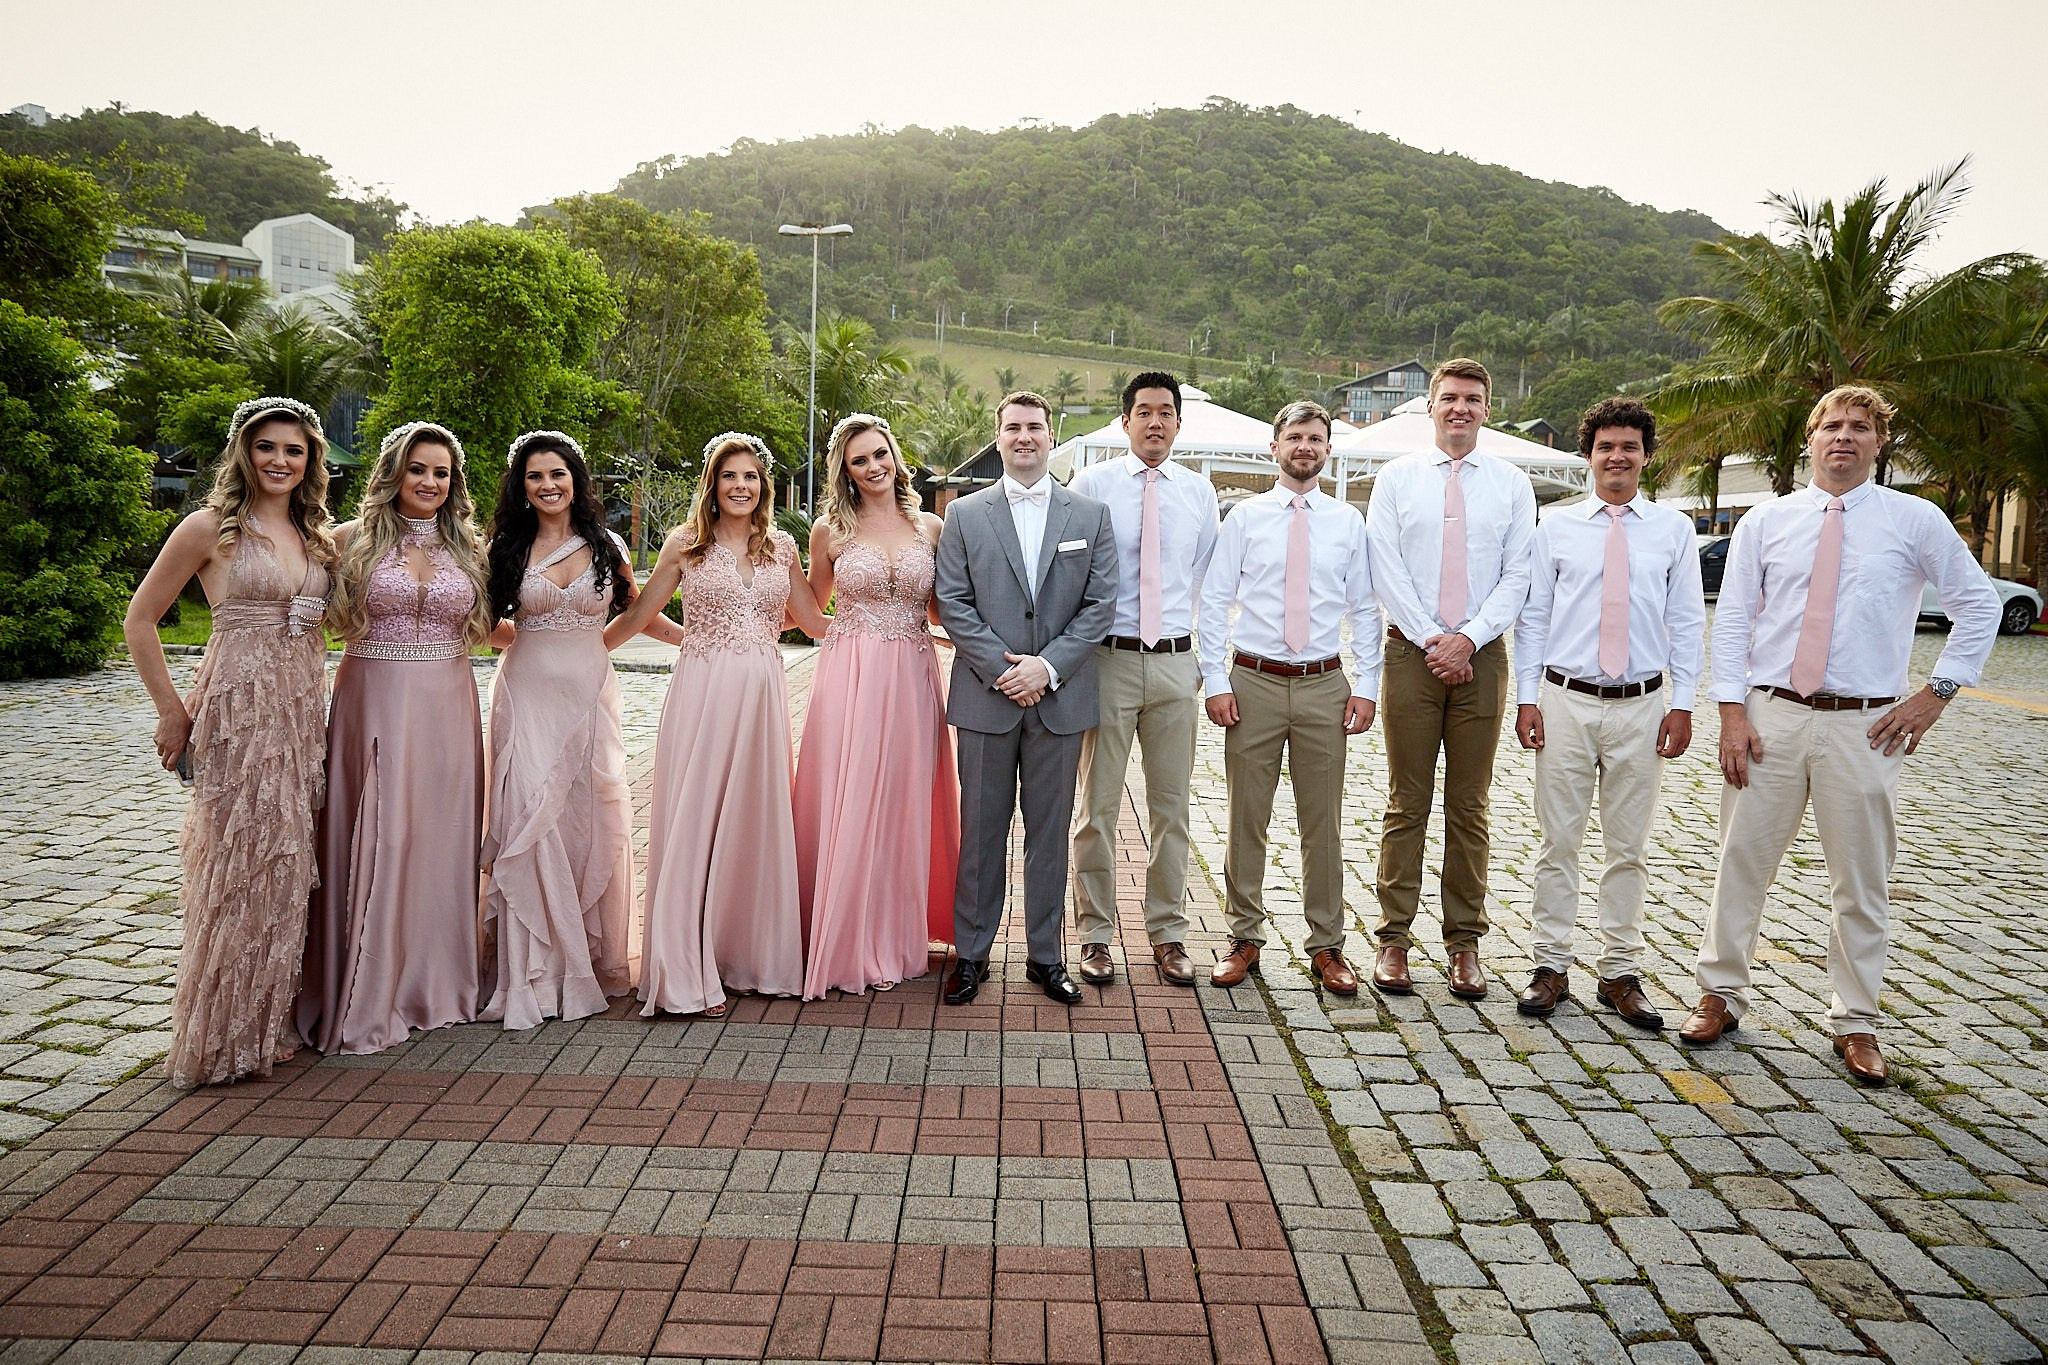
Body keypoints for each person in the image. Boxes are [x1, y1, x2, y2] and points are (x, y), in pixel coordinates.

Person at [1682, 385, 1998, 1084]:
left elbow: (1977, 605)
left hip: (1866, 724)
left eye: (1860, 427)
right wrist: (1732, 713)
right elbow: (1733, 619)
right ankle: (1719, 993)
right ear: (1811, 437)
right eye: (1832, 425)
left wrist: (1935, 694)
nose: (1844, 437)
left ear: (1880, 442)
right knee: (1741, 860)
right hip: (1771, 716)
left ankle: (1855, 1020)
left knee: (1860, 879)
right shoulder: (1767, 521)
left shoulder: (1914, 521)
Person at [122, 397, 334, 1087]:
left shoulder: (318, 534)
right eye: (267, 447)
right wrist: (170, 711)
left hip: (300, 712)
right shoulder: (210, 526)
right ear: (245, 452)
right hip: (238, 712)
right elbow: (140, 619)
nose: (279, 460)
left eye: (293, 450)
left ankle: (264, 1022)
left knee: (283, 865)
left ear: (310, 461)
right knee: (236, 867)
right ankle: (217, 1033)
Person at [605, 432, 831, 1017]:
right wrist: (586, 652)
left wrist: (901, 625)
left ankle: (745, 955)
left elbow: (811, 619)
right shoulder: (686, 545)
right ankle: (684, 967)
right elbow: (641, 614)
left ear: (765, 486)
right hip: (702, 691)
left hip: (761, 694)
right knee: (696, 818)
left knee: (754, 820)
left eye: (751, 476)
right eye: (730, 476)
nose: (741, 486)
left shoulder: (782, 549)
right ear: (713, 482)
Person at [298, 421, 494, 1056]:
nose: (430, 482)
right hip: (371, 700)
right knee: (379, 831)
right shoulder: (347, 542)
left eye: (441, 472)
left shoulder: (469, 546)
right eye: (418, 469)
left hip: (448, 706)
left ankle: (435, 982)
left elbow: (500, 626)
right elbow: (296, 604)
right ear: (393, 474)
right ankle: (365, 987)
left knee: (438, 834)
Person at [1512, 398, 1703, 1027]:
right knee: (1557, 841)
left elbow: (1685, 621)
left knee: (1628, 846)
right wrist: (1527, 697)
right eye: (1604, 447)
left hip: (1643, 705)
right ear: (1588, 455)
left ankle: (1620, 972)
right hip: (1566, 700)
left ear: (1646, 456)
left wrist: (1681, 704)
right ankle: (1550, 965)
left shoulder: (1673, 530)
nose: (1616, 457)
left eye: (1628, 447)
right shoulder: (1555, 527)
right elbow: (1534, 617)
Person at [479, 430, 667, 1030]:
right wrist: (535, 642)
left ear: (576, 480)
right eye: (535, 476)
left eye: (557, 474)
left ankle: (584, 960)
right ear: (521, 486)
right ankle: (531, 973)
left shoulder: (607, 545)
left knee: (585, 820)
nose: (548, 485)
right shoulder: (506, 547)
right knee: (530, 817)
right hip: (526, 692)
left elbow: (638, 612)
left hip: (590, 694)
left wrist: (703, 642)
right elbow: (482, 624)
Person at [934, 391, 1117, 1006]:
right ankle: (973, 954)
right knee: (981, 830)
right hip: (987, 698)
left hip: (1059, 699)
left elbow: (1100, 607)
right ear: (999, 436)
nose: (1024, 437)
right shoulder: (964, 514)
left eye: (1034, 427)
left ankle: (1046, 956)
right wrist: (1002, 670)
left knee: (1049, 832)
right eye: (1012, 428)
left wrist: (1048, 668)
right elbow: (953, 601)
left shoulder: (1089, 516)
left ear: (1050, 433)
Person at [1365, 357, 1534, 1001]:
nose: (1459, 408)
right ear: (1429, 405)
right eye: (1449, 398)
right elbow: (1386, 565)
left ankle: (1465, 944)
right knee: (1406, 801)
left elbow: (1517, 574)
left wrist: (1467, 639)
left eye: (1472, 399)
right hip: (1412, 653)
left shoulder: (1513, 484)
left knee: (1469, 805)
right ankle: (1393, 939)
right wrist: (1433, 638)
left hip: (1483, 654)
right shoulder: (1397, 478)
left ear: (1487, 409)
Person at [1202, 401, 1379, 994]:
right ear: (1275, 447)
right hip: (1252, 681)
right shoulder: (1246, 518)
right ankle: (1244, 937)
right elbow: (1213, 600)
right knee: (1246, 818)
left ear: (1328, 449)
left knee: (1322, 822)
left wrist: (1367, 686)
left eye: (1316, 438)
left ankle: (1327, 945)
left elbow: (1364, 610)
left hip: (1324, 685)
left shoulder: (1347, 523)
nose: (1306, 446)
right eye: (1295, 437)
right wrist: (1218, 680)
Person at [792, 414, 958, 999]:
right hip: (850, 674)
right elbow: (811, 614)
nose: (873, 467)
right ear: (846, 470)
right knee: (850, 792)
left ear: (896, 456)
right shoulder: (829, 532)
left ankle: (897, 930)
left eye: (880, 454)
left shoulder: (931, 528)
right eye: (859, 461)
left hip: (913, 673)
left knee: (904, 797)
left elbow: (943, 613)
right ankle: (844, 933)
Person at [1067, 373, 1219, 988]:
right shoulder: (1092, 485)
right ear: (1124, 421)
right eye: (1144, 412)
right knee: (1097, 807)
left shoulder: (1199, 493)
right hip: (1109, 662)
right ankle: (1096, 936)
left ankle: (1168, 932)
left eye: (1166, 413)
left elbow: (1208, 583)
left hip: (1177, 665)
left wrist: (1205, 665)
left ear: (1179, 423)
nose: (1155, 422)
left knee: (1172, 808)